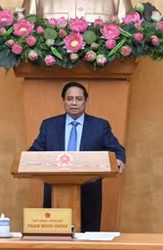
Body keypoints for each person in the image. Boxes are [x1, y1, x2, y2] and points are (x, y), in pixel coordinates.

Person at [28, 81, 126, 231]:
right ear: (63, 100)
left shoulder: (100, 126)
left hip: (89, 192)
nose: (74, 103)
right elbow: (35, 151)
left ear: (86, 100)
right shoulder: (49, 125)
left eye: (79, 99)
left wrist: (119, 159)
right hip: (55, 192)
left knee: (87, 238)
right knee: (54, 237)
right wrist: (28, 160)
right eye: (69, 99)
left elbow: (117, 149)